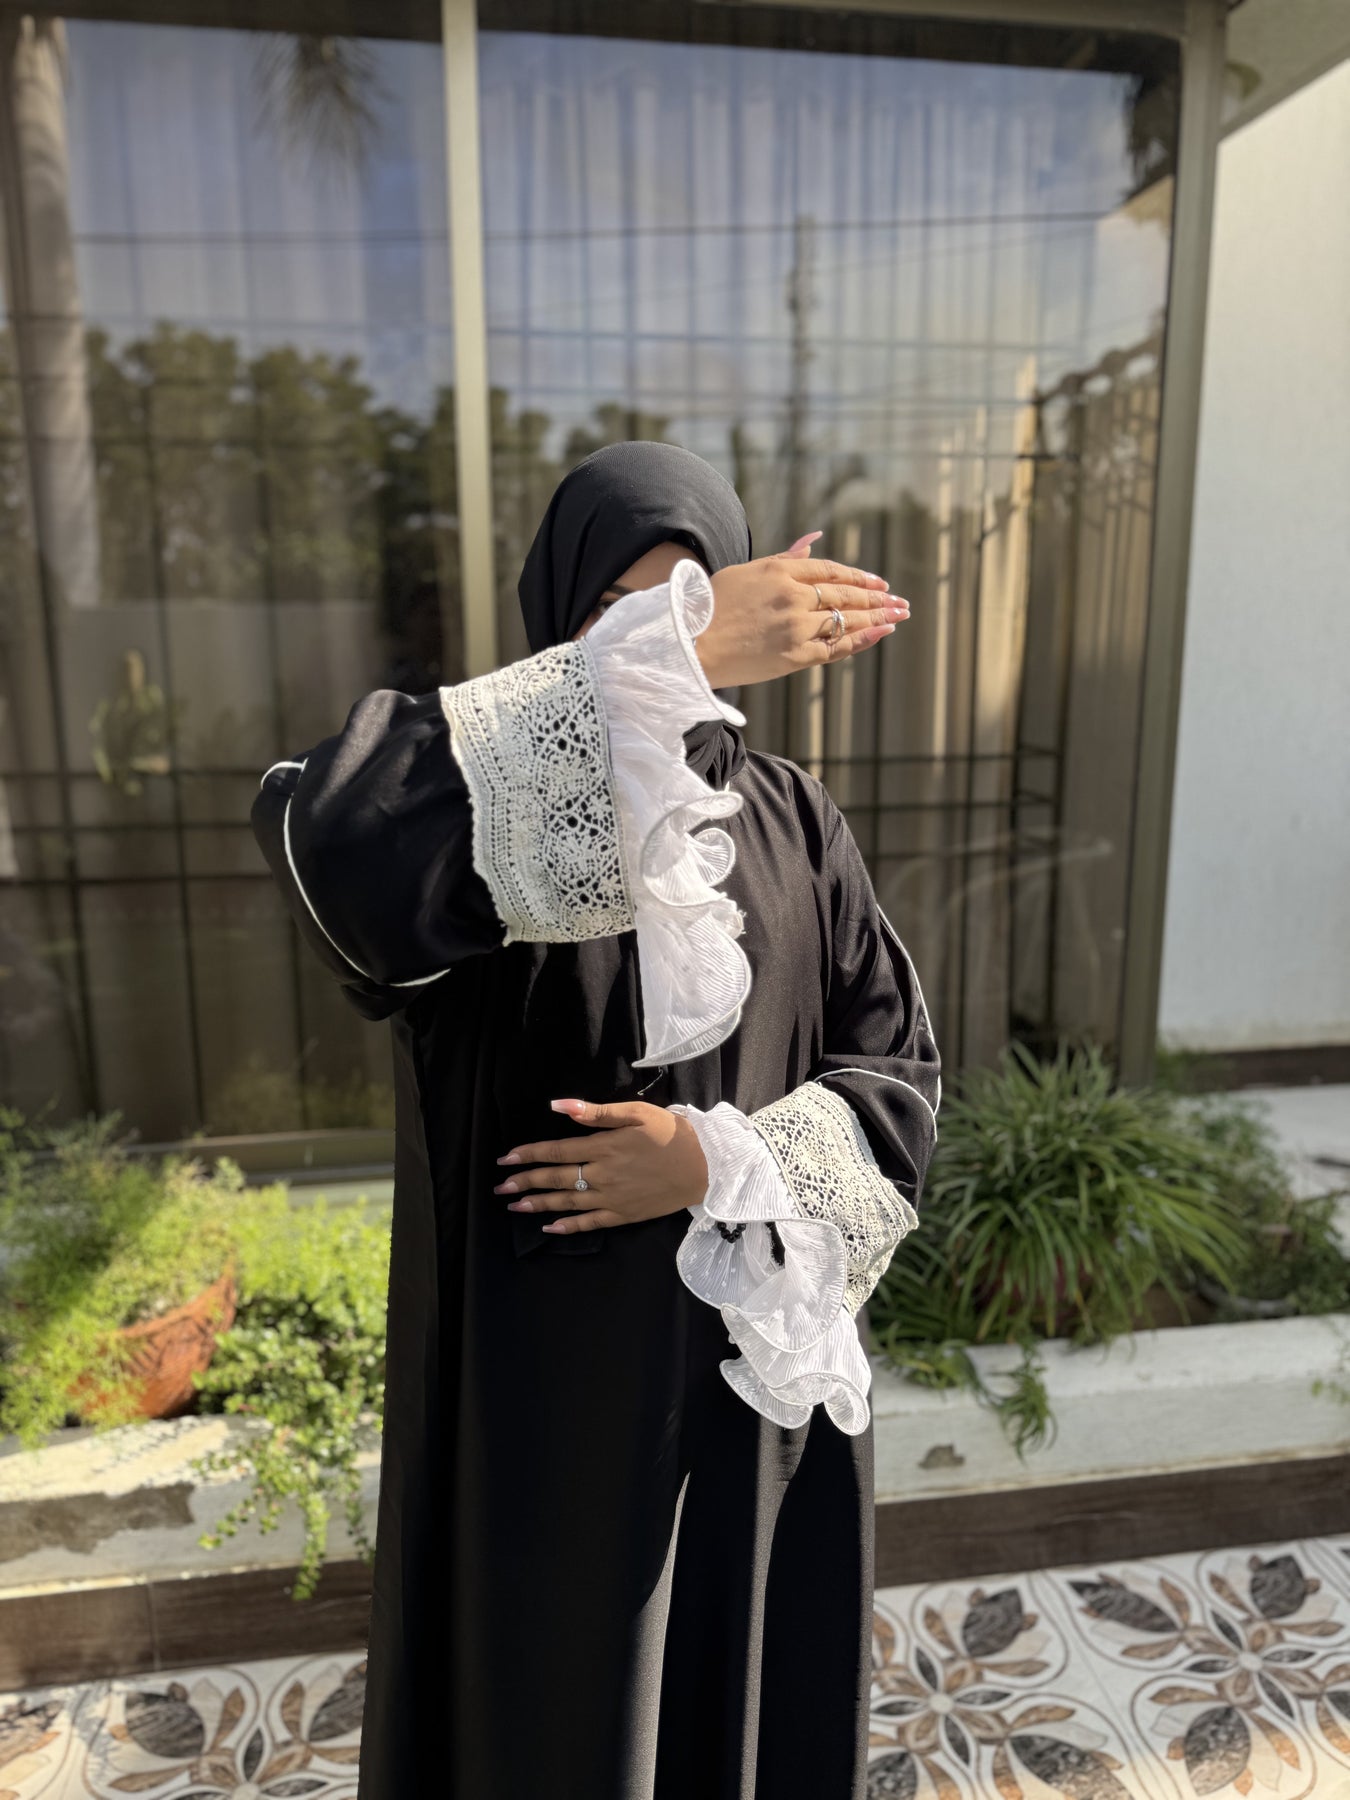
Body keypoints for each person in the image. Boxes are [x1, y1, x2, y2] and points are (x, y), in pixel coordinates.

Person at [252, 441, 940, 1800]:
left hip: (741, 1399)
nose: (667, 632)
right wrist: (666, 653)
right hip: (545, 1406)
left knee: (741, 1703)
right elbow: (329, 845)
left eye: (694, 595)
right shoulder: (490, 812)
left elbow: (898, 1071)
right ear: (561, 617)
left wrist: (713, 1162)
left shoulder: (794, 820)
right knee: (562, 1721)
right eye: (624, 609)